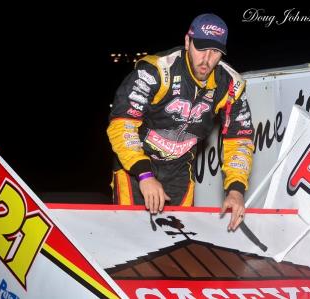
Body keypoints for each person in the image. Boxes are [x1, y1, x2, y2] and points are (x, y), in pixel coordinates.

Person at [107, 13, 254, 231]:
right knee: (130, 237)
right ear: (188, 42)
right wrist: (144, 175)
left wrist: (236, 190)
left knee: (177, 244)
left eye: (215, 52)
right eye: (201, 48)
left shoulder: (231, 85)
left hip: (179, 170)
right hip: (136, 167)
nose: (206, 59)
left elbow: (239, 140)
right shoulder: (157, 70)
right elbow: (122, 123)